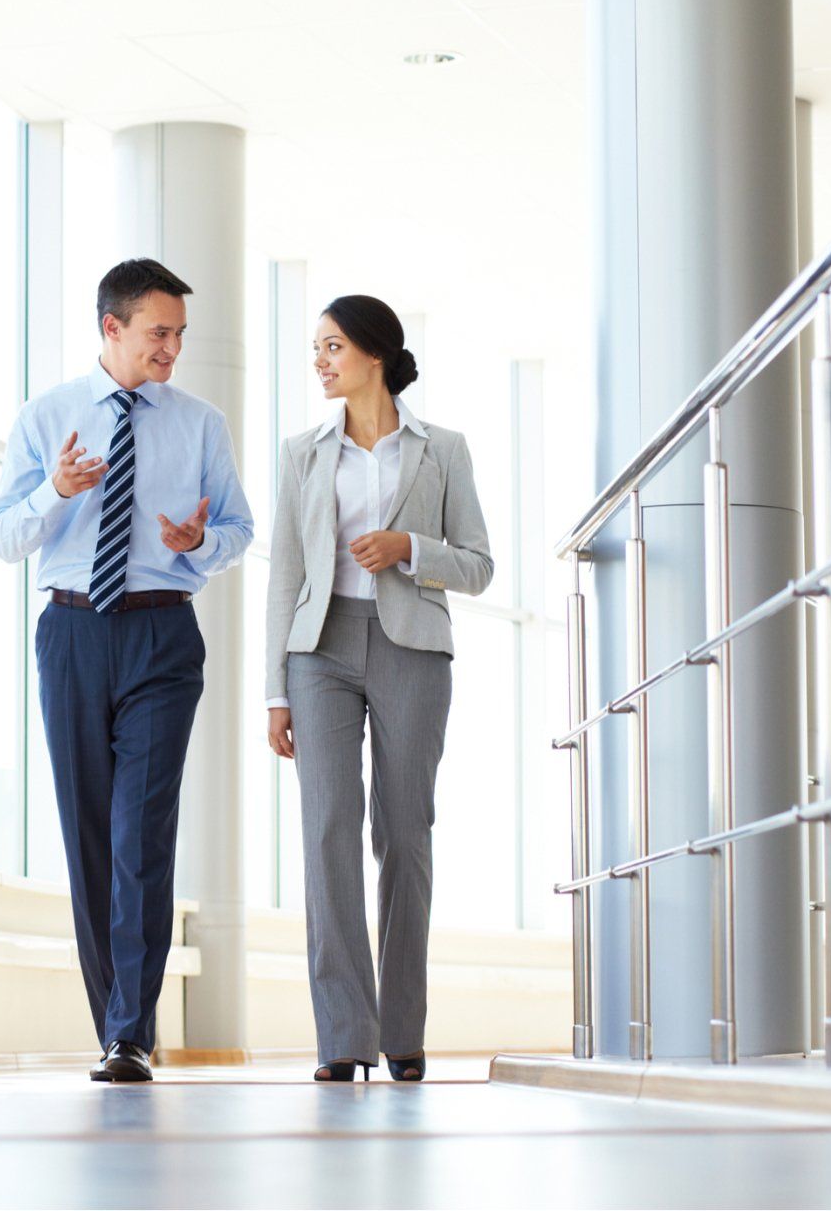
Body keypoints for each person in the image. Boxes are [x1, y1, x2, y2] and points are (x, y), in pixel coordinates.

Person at [0, 258, 254, 1083]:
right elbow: (2, 534)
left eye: (178, 334)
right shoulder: (48, 416)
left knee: (143, 833)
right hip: (71, 633)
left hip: (163, 635)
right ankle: (114, 1024)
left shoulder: (201, 424)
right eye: (157, 332)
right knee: (89, 833)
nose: (171, 348)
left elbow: (238, 530)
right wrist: (54, 494)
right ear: (112, 328)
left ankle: (131, 1032)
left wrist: (196, 545)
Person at [263, 294, 494, 1084]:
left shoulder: (443, 450)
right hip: (318, 652)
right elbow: (284, 578)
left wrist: (409, 547)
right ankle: (343, 1036)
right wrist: (274, 692)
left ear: (374, 354)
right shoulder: (301, 452)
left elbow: (479, 564)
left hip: (412, 650)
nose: (320, 361)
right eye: (316, 347)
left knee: (404, 835)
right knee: (328, 830)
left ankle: (402, 1031)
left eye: (332, 346)